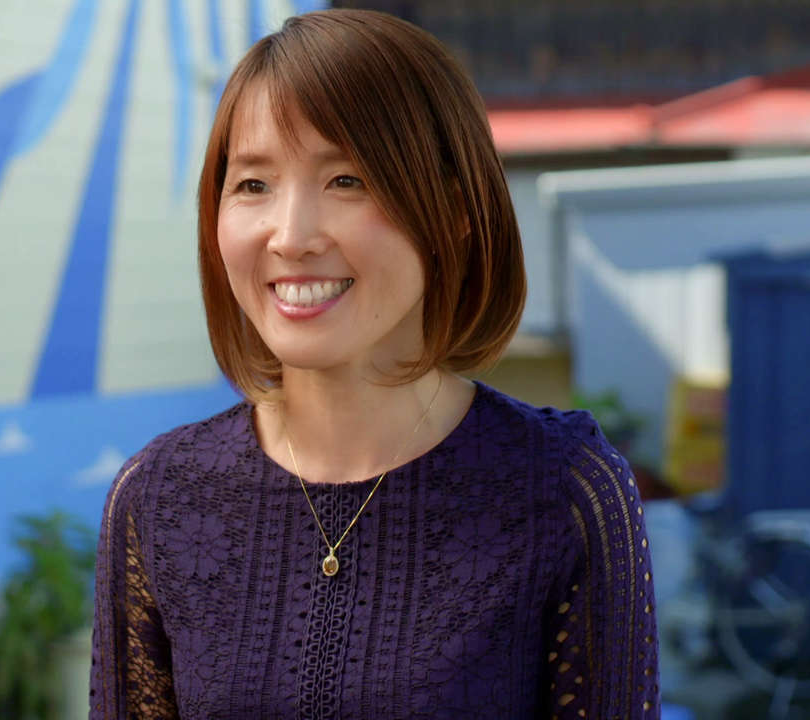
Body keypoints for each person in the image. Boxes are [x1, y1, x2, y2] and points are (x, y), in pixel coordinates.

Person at [88, 9, 659, 719]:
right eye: (254, 185)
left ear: (454, 211)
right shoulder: (159, 498)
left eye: (347, 180)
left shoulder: (564, 491)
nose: (291, 237)